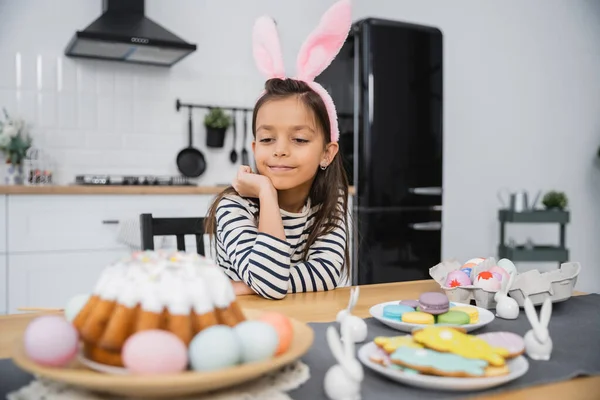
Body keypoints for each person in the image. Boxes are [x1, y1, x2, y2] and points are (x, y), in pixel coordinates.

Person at [205, 0, 352, 299]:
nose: (280, 151)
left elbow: (324, 277)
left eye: (299, 139)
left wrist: (248, 286)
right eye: (268, 139)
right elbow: (271, 284)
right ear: (254, 147)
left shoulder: (329, 205)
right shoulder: (234, 207)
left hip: (304, 324)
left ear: (327, 152)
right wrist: (267, 195)